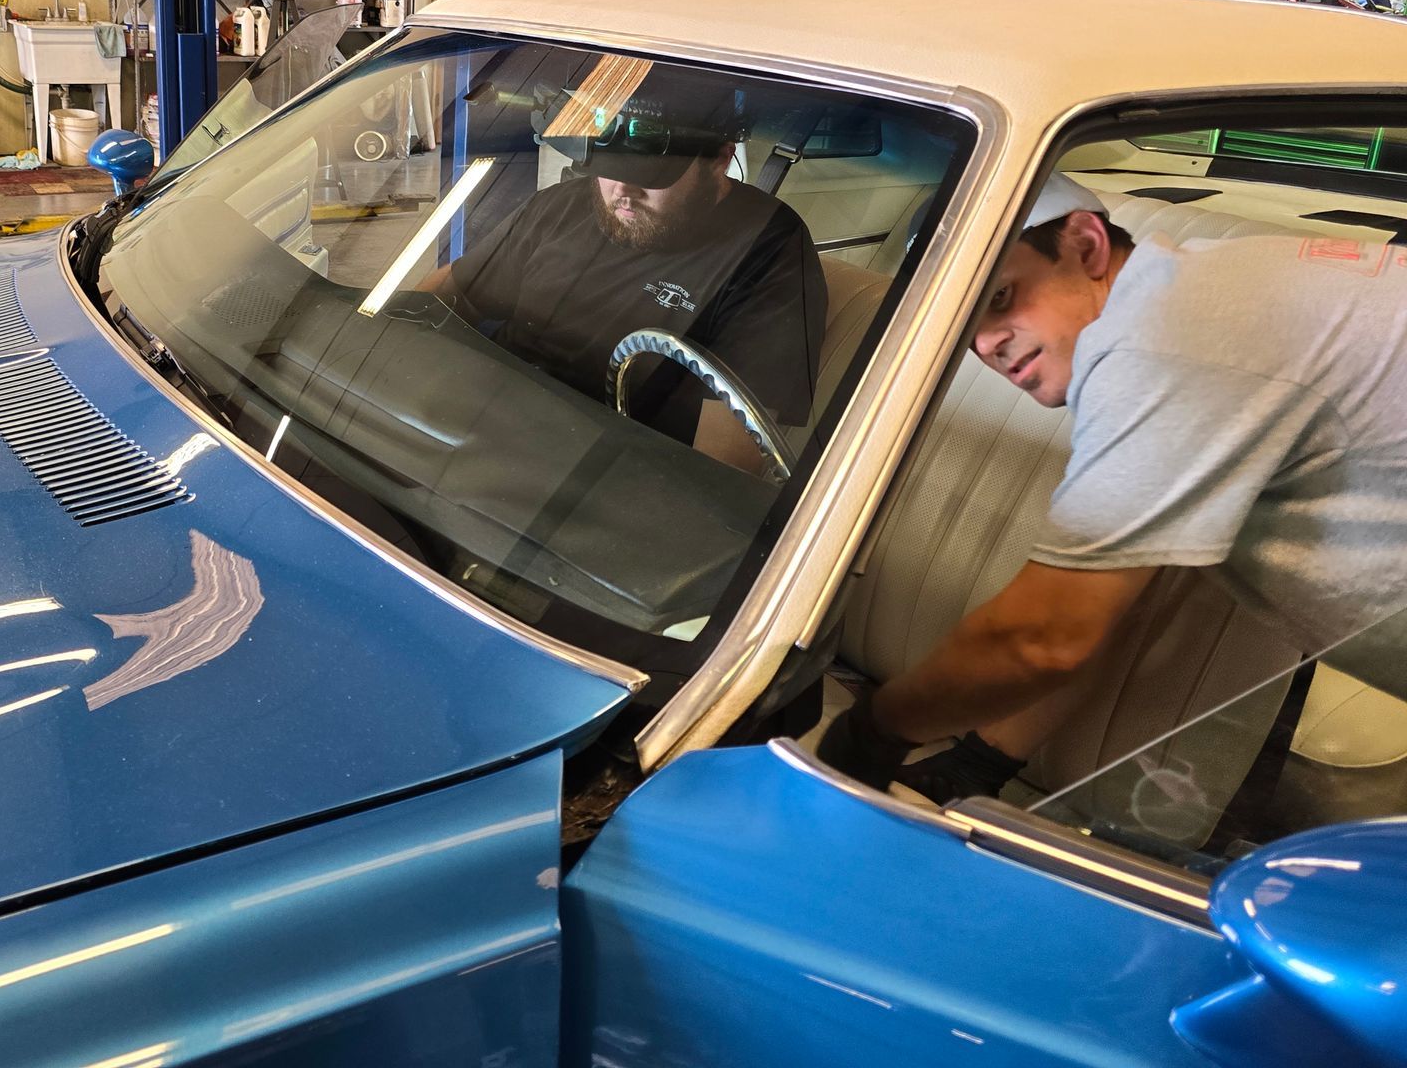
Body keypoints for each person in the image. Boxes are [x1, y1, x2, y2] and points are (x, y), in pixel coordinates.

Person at [819, 173, 1407, 798]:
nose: (986, 344)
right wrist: (974, 769)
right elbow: (1116, 587)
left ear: (1086, 244)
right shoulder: (1196, 293)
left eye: (1002, 297)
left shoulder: (1167, 335)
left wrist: (872, 732)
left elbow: (1044, 635)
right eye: (965, 330)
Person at [421, 95, 826, 476]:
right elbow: (443, 297)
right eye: (612, 167)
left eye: (651, 175)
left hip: (600, 480)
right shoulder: (563, 205)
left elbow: (718, 471)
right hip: (470, 435)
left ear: (719, 160)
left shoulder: (767, 252)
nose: (622, 192)